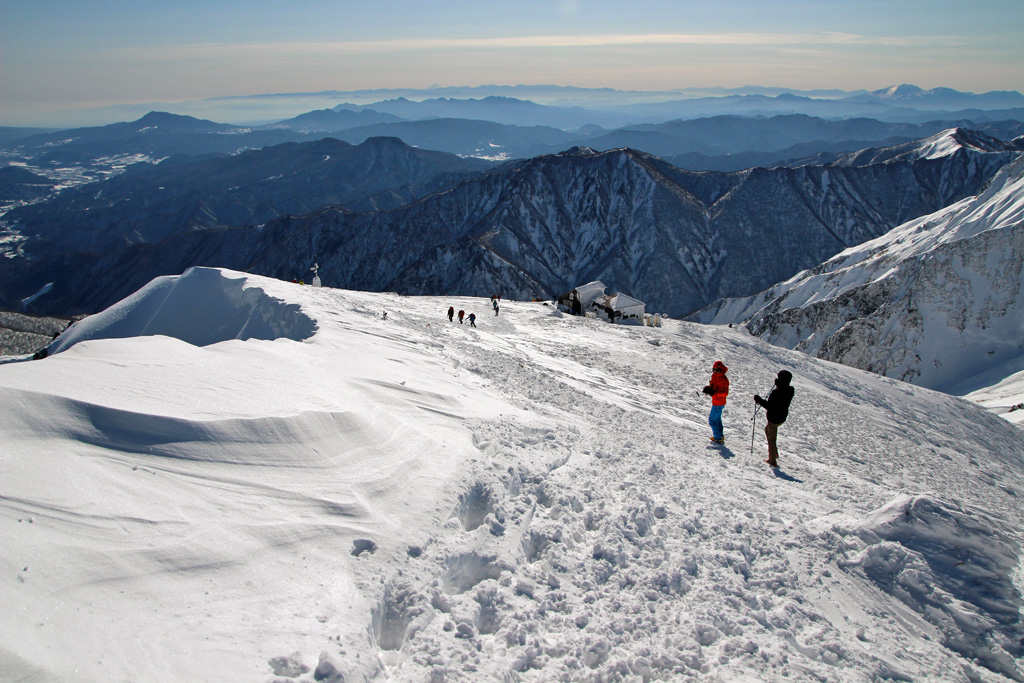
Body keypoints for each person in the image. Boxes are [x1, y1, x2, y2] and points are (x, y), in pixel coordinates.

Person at [755, 370, 795, 468]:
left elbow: (770, 406)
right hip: (782, 417)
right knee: (767, 430)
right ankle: (775, 453)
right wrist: (779, 385)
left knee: (771, 439)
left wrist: (759, 400)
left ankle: (772, 460)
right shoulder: (790, 391)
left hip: (774, 418)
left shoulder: (776, 393)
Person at [702, 360, 729, 444]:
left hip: (719, 402)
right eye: (714, 370)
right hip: (715, 401)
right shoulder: (714, 376)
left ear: (721, 370)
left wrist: (715, 393)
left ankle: (717, 438)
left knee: (712, 420)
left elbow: (725, 393)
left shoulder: (723, 379)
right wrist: (708, 389)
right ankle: (720, 436)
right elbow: (714, 387)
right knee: (717, 419)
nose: (715, 372)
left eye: (717, 370)